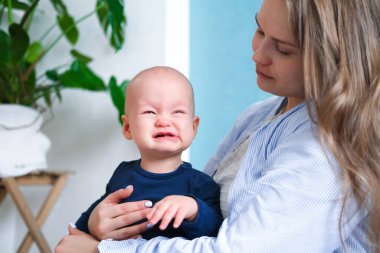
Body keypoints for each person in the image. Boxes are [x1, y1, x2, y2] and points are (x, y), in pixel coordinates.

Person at [55, 0, 380, 252]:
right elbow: (209, 208)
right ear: (127, 127)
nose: (257, 54)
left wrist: (105, 249)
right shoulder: (256, 117)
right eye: (259, 30)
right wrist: (98, 222)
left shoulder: (327, 153)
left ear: (334, 60)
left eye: (282, 49)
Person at [73, 66, 223, 240]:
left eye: (178, 112)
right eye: (150, 112)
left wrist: (194, 209)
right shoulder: (123, 174)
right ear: (128, 127)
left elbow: (218, 233)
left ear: (193, 126)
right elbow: (102, 208)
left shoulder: (200, 184)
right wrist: (80, 231)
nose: (164, 121)